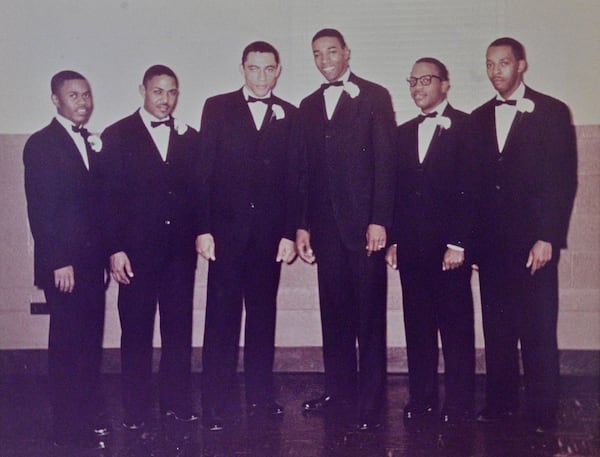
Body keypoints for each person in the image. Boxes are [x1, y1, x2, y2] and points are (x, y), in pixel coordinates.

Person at [471, 37, 577, 433]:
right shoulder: (478, 117)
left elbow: (562, 179)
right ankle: (500, 402)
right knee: (497, 329)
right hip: (492, 247)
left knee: (537, 328)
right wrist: (474, 244)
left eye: (503, 63)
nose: (496, 70)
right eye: (489, 64)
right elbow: (476, 187)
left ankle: (542, 410)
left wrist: (547, 235)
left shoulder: (551, 111)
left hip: (535, 244)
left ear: (522, 65)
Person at [196, 41, 301, 431]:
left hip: (269, 239)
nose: (261, 76)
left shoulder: (291, 115)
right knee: (221, 320)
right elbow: (203, 172)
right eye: (253, 68)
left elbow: (295, 180)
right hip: (224, 236)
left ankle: (260, 397)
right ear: (242, 68)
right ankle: (215, 403)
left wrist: (289, 233)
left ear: (278, 71)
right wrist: (203, 228)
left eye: (268, 69)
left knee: (262, 317)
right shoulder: (217, 107)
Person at [296, 28, 396, 431]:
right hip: (324, 229)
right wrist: (302, 226)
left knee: (369, 315)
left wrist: (380, 220)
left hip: (364, 228)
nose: (324, 60)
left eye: (331, 52)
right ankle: (339, 392)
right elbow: (302, 172)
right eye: (317, 54)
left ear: (347, 53)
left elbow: (387, 164)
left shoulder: (375, 96)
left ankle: (371, 399)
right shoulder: (307, 105)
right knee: (333, 314)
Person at [100, 65, 200, 429]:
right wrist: (115, 248)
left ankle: (176, 402)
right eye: (158, 91)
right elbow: (108, 200)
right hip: (135, 255)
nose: (165, 100)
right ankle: (136, 410)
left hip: (178, 254)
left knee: (178, 330)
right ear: (142, 89)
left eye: (172, 92)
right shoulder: (117, 134)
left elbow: (197, 195)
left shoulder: (190, 137)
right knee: (137, 332)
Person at [386, 58, 477, 426]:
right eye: (413, 81)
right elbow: (394, 192)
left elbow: (472, 190)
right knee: (417, 325)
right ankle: (421, 398)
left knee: (455, 327)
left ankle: (459, 402)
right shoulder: (401, 132)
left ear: (445, 84)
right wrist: (392, 240)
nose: (418, 87)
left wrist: (459, 242)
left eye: (426, 80)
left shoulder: (469, 127)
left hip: (448, 250)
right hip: (411, 248)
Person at [23, 70, 107, 449]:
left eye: (86, 95)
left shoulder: (90, 142)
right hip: (64, 266)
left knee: (89, 341)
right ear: (55, 100)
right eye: (73, 95)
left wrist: (102, 258)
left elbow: (94, 209)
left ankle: (87, 415)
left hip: (91, 264)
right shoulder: (41, 144)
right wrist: (59, 261)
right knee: (67, 343)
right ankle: (66, 423)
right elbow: (41, 210)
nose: (83, 102)